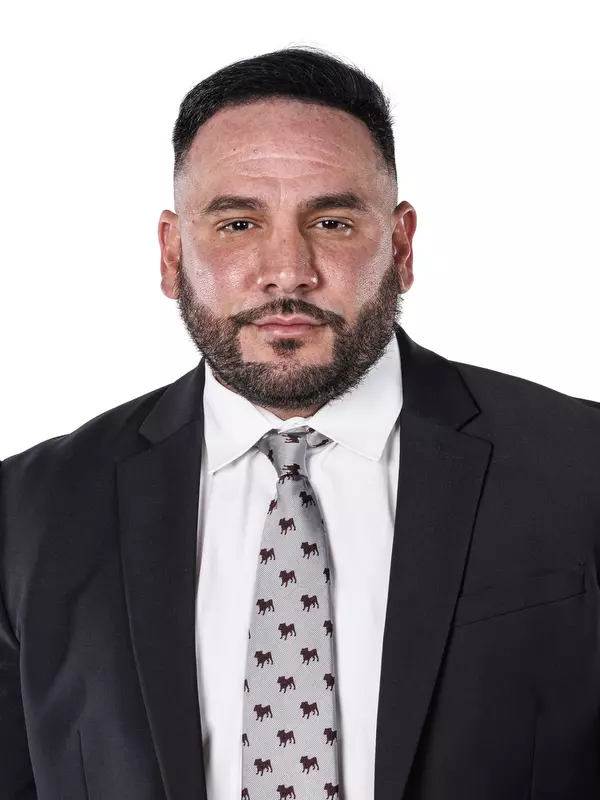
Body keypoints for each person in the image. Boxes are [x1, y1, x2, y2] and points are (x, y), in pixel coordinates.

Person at [1, 45, 599, 800]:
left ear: (402, 247)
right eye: (239, 223)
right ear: (170, 253)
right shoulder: (26, 513)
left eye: (334, 221)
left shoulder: (582, 470)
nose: (287, 269)